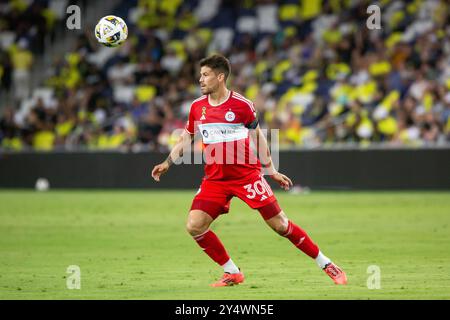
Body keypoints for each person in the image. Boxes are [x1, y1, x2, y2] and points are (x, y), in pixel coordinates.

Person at [151, 54, 347, 287]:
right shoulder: (197, 107)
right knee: (194, 225)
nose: (200, 80)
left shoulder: (242, 105)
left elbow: (258, 136)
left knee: (280, 225)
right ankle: (232, 272)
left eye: (205, 75)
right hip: (215, 180)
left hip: (247, 177)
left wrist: (271, 169)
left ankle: (327, 264)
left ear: (220, 77)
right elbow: (187, 137)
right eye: (200, 75)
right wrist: (167, 162)